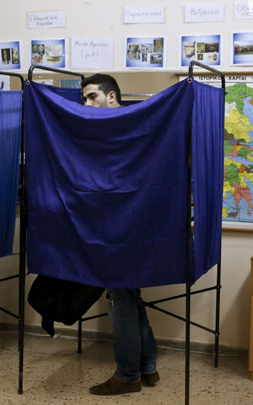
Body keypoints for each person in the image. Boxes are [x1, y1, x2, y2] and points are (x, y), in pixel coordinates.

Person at [81, 74, 160, 396]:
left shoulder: (118, 128)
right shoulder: (133, 126)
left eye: (92, 97)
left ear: (111, 96)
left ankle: (128, 375)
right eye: (84, 99)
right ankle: (147, 367)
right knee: (131, 297)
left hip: (120, 228)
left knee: (121, 301)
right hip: (135, 225)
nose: (87, 104)